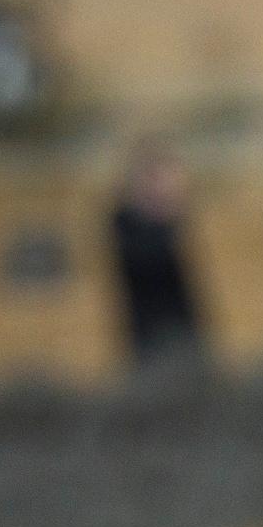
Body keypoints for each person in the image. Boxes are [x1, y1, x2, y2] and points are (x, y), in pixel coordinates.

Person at [107, 140, 205, 364]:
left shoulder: (168, 225)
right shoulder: (126, 223)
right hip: (148, 339)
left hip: (183, 337)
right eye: (157, 180)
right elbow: (146, 260)